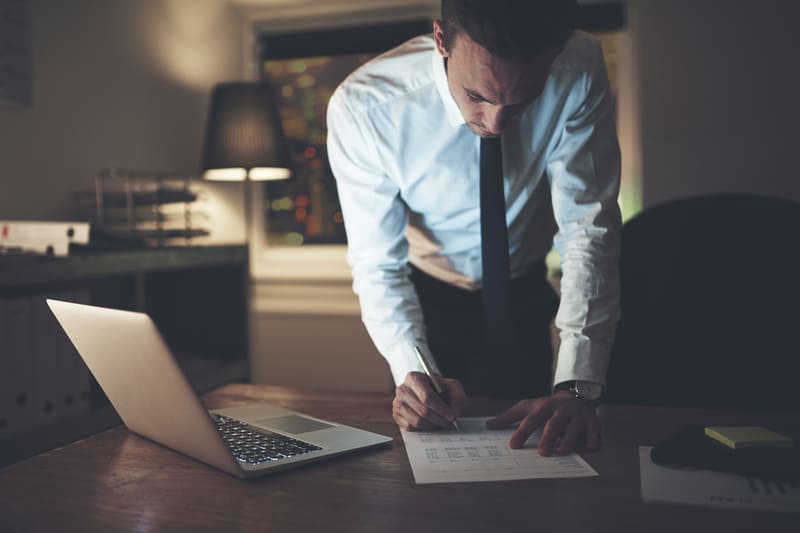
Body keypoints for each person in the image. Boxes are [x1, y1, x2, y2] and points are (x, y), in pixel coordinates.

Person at [327, 0, 621, 456]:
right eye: (477, 96)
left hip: (522, 290)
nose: (495, 123)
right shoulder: (366, 109)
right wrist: (411, 368)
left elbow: (589, 229)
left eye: (524, 101)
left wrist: (578, 386)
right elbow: (377, 263)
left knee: (538, 455)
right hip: (428, 298)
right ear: (441, 39)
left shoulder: (578, 67)